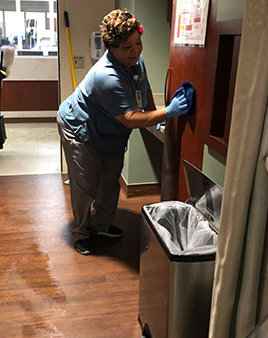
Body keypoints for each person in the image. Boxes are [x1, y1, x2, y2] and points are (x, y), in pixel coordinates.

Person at [57, 9, 187, 255]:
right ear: (112, 48)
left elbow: (144, 87)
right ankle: (81, 233)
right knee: (85, 186)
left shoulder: (135, 61)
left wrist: (154, 113)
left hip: (109, 130)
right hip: (79, 128)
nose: (136, 51)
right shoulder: (107, 76)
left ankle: (101, 225)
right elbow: (129, 118)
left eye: (138, 43)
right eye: (127, 47)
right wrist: (168, 112)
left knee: (110, 179)